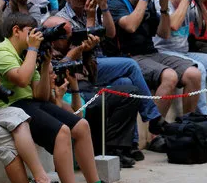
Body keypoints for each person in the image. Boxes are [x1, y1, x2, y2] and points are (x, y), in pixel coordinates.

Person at [0, 12, 129, 183]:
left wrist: (45, 63)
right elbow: (22, 79)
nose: (36, 36)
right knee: (62, 132)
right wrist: (33, 51)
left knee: (81, 126)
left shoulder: (26, 53)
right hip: (12, 106)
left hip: (31, 102)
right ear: (16, 31)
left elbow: (40, 95)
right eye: (30, 31)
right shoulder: (1, 51)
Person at [57, 0, 165, 159]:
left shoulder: (89, 9)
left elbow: (111, 33)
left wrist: (104, 6)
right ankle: (153, 117)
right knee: (130, 65)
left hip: (97, 65)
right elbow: (82, 49)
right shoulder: (61, 20)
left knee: (125, 83)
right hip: (81, 69)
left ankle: (125, 145)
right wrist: (91, 19)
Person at [43, 16, 141, 169]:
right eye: (66, 36)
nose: (71, 39)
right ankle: (105, 150)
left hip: (88, 89)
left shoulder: (74, 46)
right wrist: (77, 51)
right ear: (54, 37)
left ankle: (116, 148)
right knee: (105, 101)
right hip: (70, 95)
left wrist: (88, 52)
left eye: (72, 34)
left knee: (130, 92)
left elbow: (93, 76)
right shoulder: (46, 51)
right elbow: (57, 74)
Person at [108, 0, 203, 120]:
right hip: (128, 57)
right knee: (170, 76)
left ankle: (188, 124)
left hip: (151, 54)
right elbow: (131, 26)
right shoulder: (116, 1)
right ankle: (156, 130)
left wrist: (164, 8)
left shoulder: (149, 3)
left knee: (194, 74)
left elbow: (164, 33)